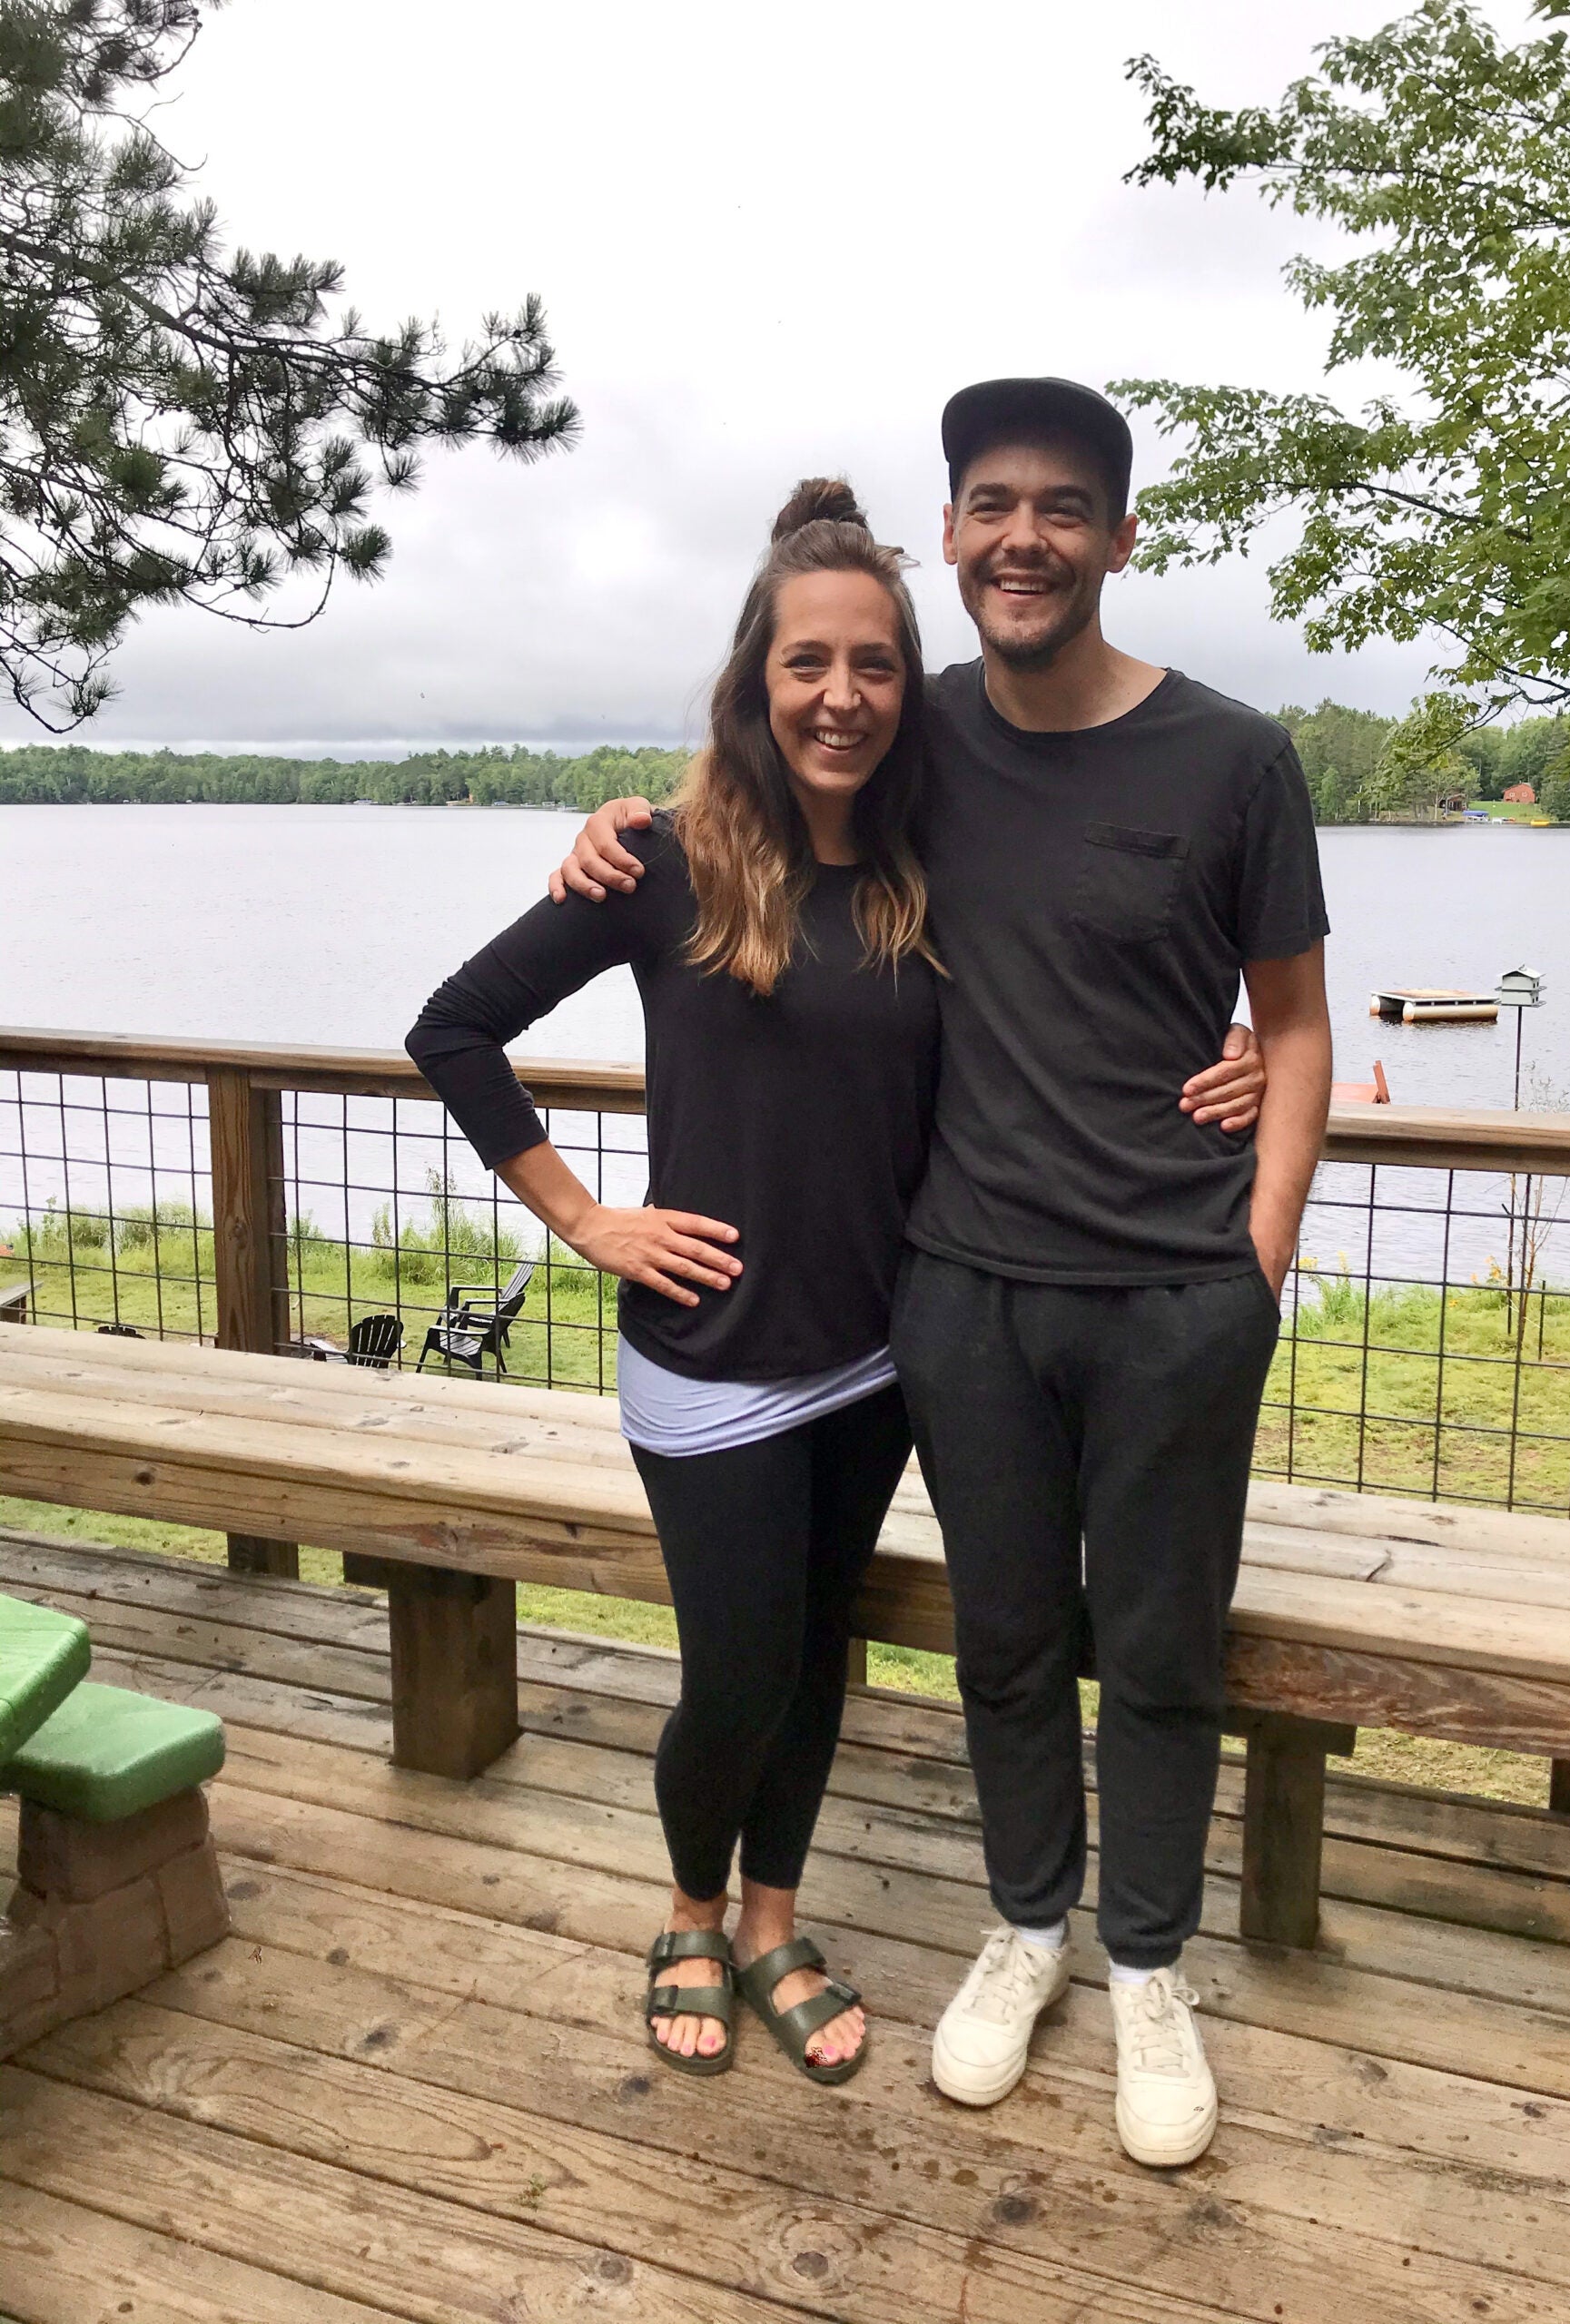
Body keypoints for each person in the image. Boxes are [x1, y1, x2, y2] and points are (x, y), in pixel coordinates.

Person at [550, 379, 1331, 2167]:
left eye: (1062, 507)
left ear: (1119, 537)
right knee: (1005, 1642)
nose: (1023, 536)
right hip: (960, 1293)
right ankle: (1028, 1925)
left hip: (1175, 1291)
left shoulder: (1235, 757)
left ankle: (1149, 1967)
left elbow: (1292, 1026)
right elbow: (767, 776)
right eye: (992, 503)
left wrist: (1260, 1255)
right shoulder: (919, 733)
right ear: (957, 531)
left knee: (1159, 1648)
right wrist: (614, 826)